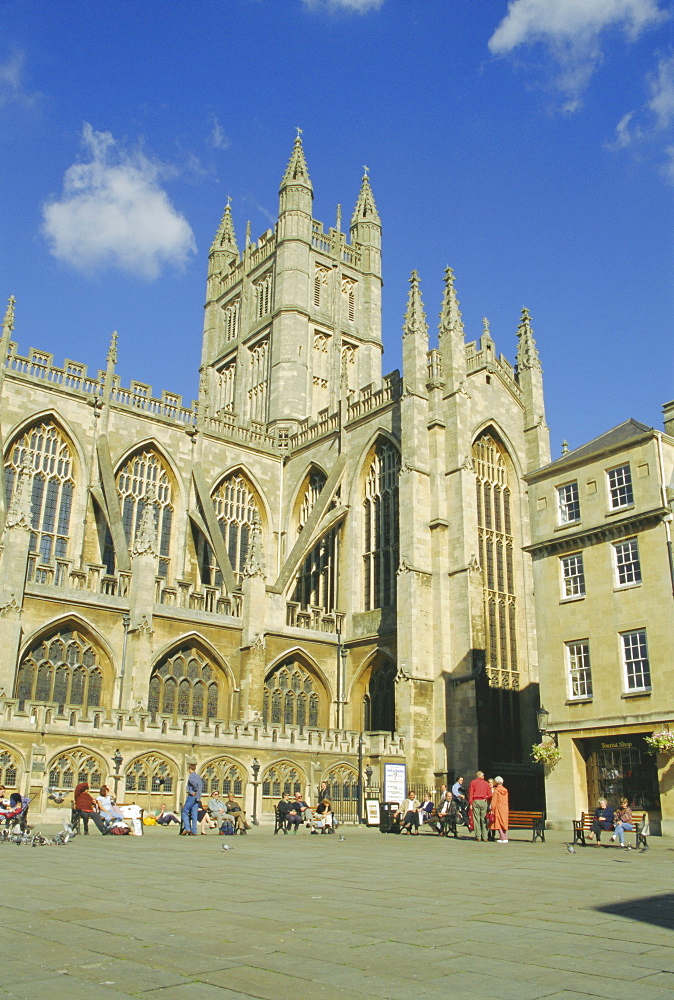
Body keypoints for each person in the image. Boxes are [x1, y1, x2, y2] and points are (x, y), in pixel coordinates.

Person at [468, 770, 492, 842]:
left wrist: (471, 803)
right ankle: (485, 837)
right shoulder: (486, 783)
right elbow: (490, 794)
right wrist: (486, 798)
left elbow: (471, 793)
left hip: (476, 800)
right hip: (483, 801)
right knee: (483, 819)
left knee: (476, 819)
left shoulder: (473, 782)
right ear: (482, 776)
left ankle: (478, 836)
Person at [180, 763, 203, 836]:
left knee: (185, 812)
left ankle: (187, 828)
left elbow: (195, 784)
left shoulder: (191, 776)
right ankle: (194, 831)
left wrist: (192, 791)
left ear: (190, 769)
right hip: (197, 798)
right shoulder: (198, 776)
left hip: (192, 797)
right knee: (194, 814)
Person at [490, 776, 509, 843]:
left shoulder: (496, 790)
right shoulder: (505, 790)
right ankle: (505, 837)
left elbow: (494, 801)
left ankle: (502, 837)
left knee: (498, 822)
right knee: (504, 822)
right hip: (505, 807)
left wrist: (492, 809)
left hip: (498, 807)